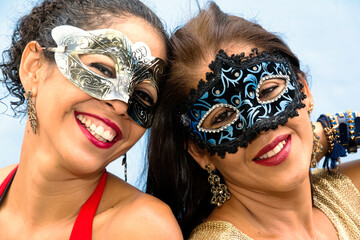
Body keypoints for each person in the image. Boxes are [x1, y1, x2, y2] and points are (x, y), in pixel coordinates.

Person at [146, 2, 360, 239]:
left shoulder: (346, 193)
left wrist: (326, 134)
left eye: (269, 91)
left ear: (303, 89)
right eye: (222, 117)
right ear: (199, 151)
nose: (261, 126)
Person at [0, 0, 182, 239]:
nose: (121, 105)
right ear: (34, 68)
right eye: (104, 70)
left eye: (143, 96)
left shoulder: (145, 230)